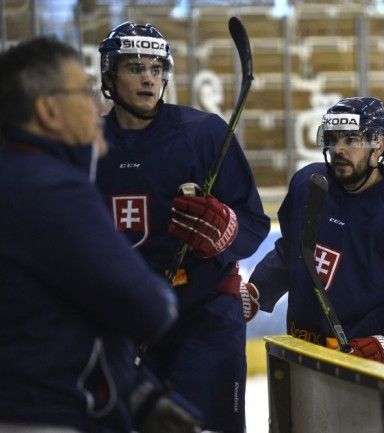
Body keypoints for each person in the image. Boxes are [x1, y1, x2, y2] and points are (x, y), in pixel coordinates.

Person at [96, 22, 270, 433]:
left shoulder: (203, 133)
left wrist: (226, 232)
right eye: (135, 66)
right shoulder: (87, 144)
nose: (148, 77)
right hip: (124, 320)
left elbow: (253, 222)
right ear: (109, 75)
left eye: (157, 68)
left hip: (204, 314)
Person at [0, 37, 180, 433]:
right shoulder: (52, 189)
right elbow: (149, 309)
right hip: (52, 415)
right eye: (82, 92)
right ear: (48, 111)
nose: (98, 105)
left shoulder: (16, 177)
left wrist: (136, 389)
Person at [246, 96, 384, 372]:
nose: (339, 149)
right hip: (299, 356)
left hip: (368, 371)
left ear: (378, 145)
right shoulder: (309, 186)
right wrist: (257, 289)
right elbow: (293, 253)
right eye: (333, 139)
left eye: (352, 140)